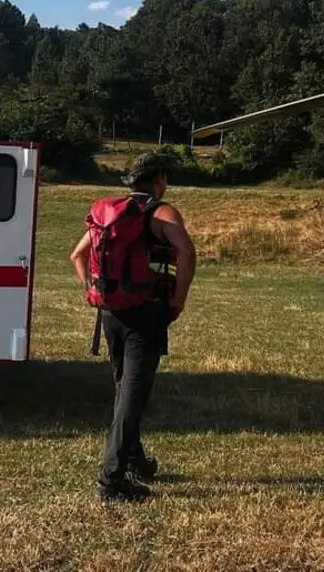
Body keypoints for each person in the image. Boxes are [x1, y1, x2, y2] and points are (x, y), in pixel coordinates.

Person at [70, 154, 197, 503]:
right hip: (146, 312)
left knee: (125, 388)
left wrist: (92, 290)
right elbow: (186, 253)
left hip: (111, 313)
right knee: (133, 394)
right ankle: (112, 480)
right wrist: (178, 300)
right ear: (159, 179)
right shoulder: (161, 212)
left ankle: (134, 460)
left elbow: (77, 255)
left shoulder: (112, 214)